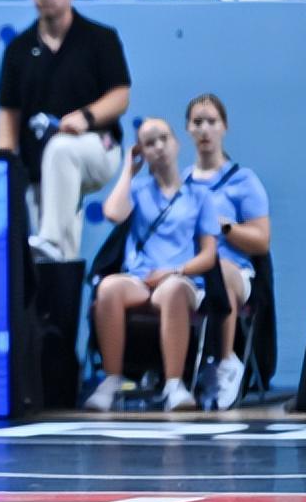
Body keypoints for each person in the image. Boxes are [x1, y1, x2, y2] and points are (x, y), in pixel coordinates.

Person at [0, 0, 129, 264]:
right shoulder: (17, 49)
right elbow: (8, 116)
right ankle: (57, 261)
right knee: (52, 258)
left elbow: (120, 96)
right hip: (38, 167)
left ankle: (51, 240)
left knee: (61, 148)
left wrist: (86, 117)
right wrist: (7, 168)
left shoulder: (100, 39)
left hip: (98, 147)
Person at [83, 117, 221, 413]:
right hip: (139, 281)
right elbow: (113, 214)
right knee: (108, 288)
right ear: (142, 152)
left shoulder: (200, 195)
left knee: (172, 290)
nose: (158, 147)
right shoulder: (138, 189)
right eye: (149, 143)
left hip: (180, 279)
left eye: (163, 139)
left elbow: (209, 255)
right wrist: (128, 170)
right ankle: (112, 380)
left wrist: (175, 271)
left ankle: (174, 385)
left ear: (176, 143)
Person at [183, 93, 273, 411]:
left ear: (224, 127)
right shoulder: (180, 184)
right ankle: (171, 379)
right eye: (197, 122)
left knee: (217, 271)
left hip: (234, 272)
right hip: (189, 273)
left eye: (211, 121)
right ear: (188, 129)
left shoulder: (244, 181)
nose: (204, 129)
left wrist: (226, 227)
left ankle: (226, 362)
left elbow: (261, 241)